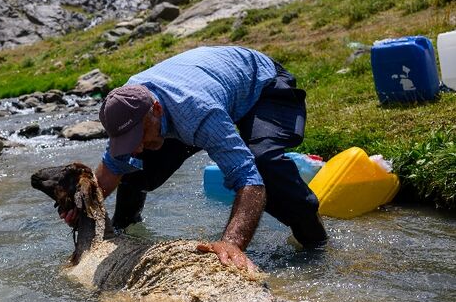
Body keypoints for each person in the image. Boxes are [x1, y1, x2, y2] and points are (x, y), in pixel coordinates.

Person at [60, 45, 327, 271]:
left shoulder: (199, 113)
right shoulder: (125, 108)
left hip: (262, 85)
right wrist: (81, 205)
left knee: (263, 163)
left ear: (155, 110)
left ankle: (316, 245)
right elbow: (111, 169)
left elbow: (249, 180)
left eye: (139, 137)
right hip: (203, 87)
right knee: (133, 168)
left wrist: (231, 243)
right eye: (129, 141)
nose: (137, 147)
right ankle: (124, 231)